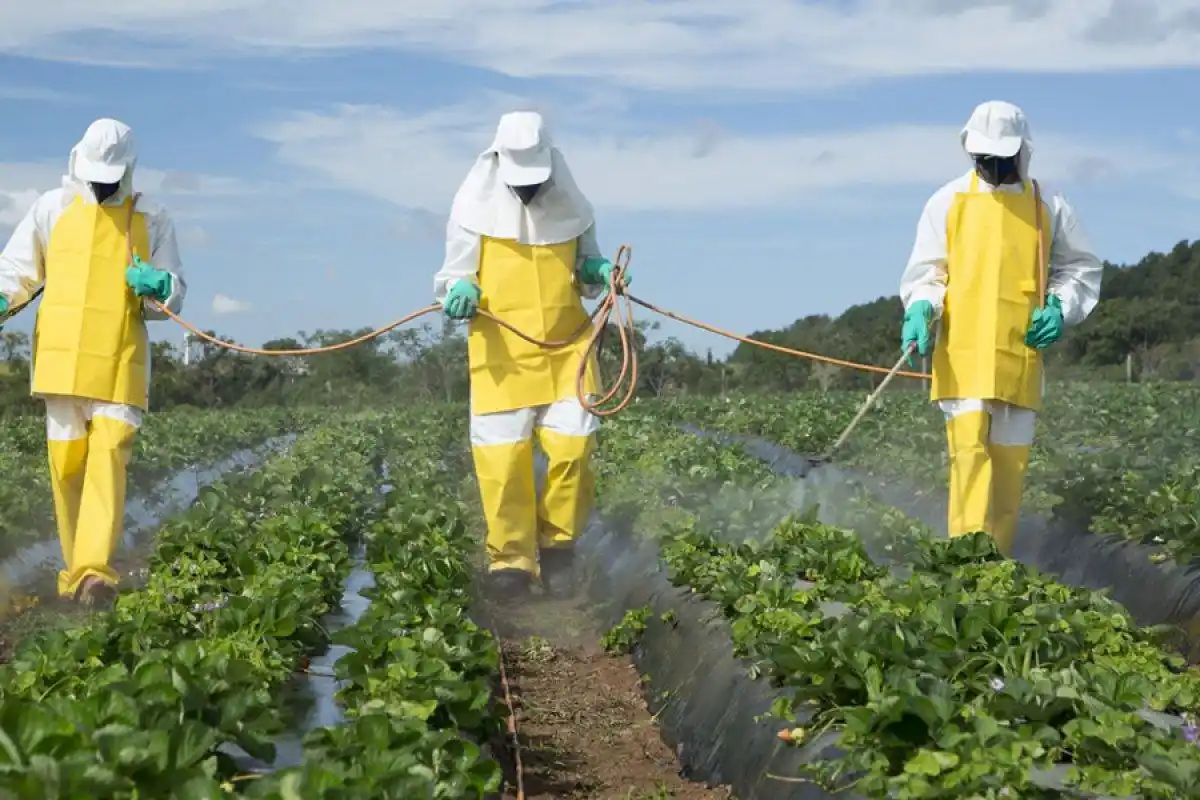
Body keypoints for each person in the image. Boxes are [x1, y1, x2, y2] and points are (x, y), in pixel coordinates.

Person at [434, 110, 629, 600]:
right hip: (501, 352)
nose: (528, 191)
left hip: (567, 349)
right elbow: (454, 274)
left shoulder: (573, 208)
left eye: (534, 181)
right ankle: (511, 562)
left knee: (574, 449)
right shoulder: (471, 210)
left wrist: (599, 270)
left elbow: (586, 268)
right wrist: (459, 290)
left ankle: (559, 547)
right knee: (504, 461)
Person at [898, 100, 1102, 555]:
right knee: (969, 461)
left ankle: (997, 569)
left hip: (1019, 356)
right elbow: (928, 272)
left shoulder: (1048, 204)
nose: (992, 166)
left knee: (1009, 474)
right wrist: (922, 307)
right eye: (984, 158)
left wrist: (1059, 307)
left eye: (1001, 157)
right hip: (963, 356)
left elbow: (1080, 267)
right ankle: (966, 567)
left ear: (1022, 152)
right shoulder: (947, 201)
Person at [0, 118, 186, 606]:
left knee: (109, 454)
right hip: (61, 359)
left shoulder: (151, 217)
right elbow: (17, 270)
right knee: (67, 466)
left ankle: (94, 573)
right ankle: (74, 575)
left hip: (120, 358)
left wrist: (159, 286)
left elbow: (172, 290)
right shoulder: (52, 208)